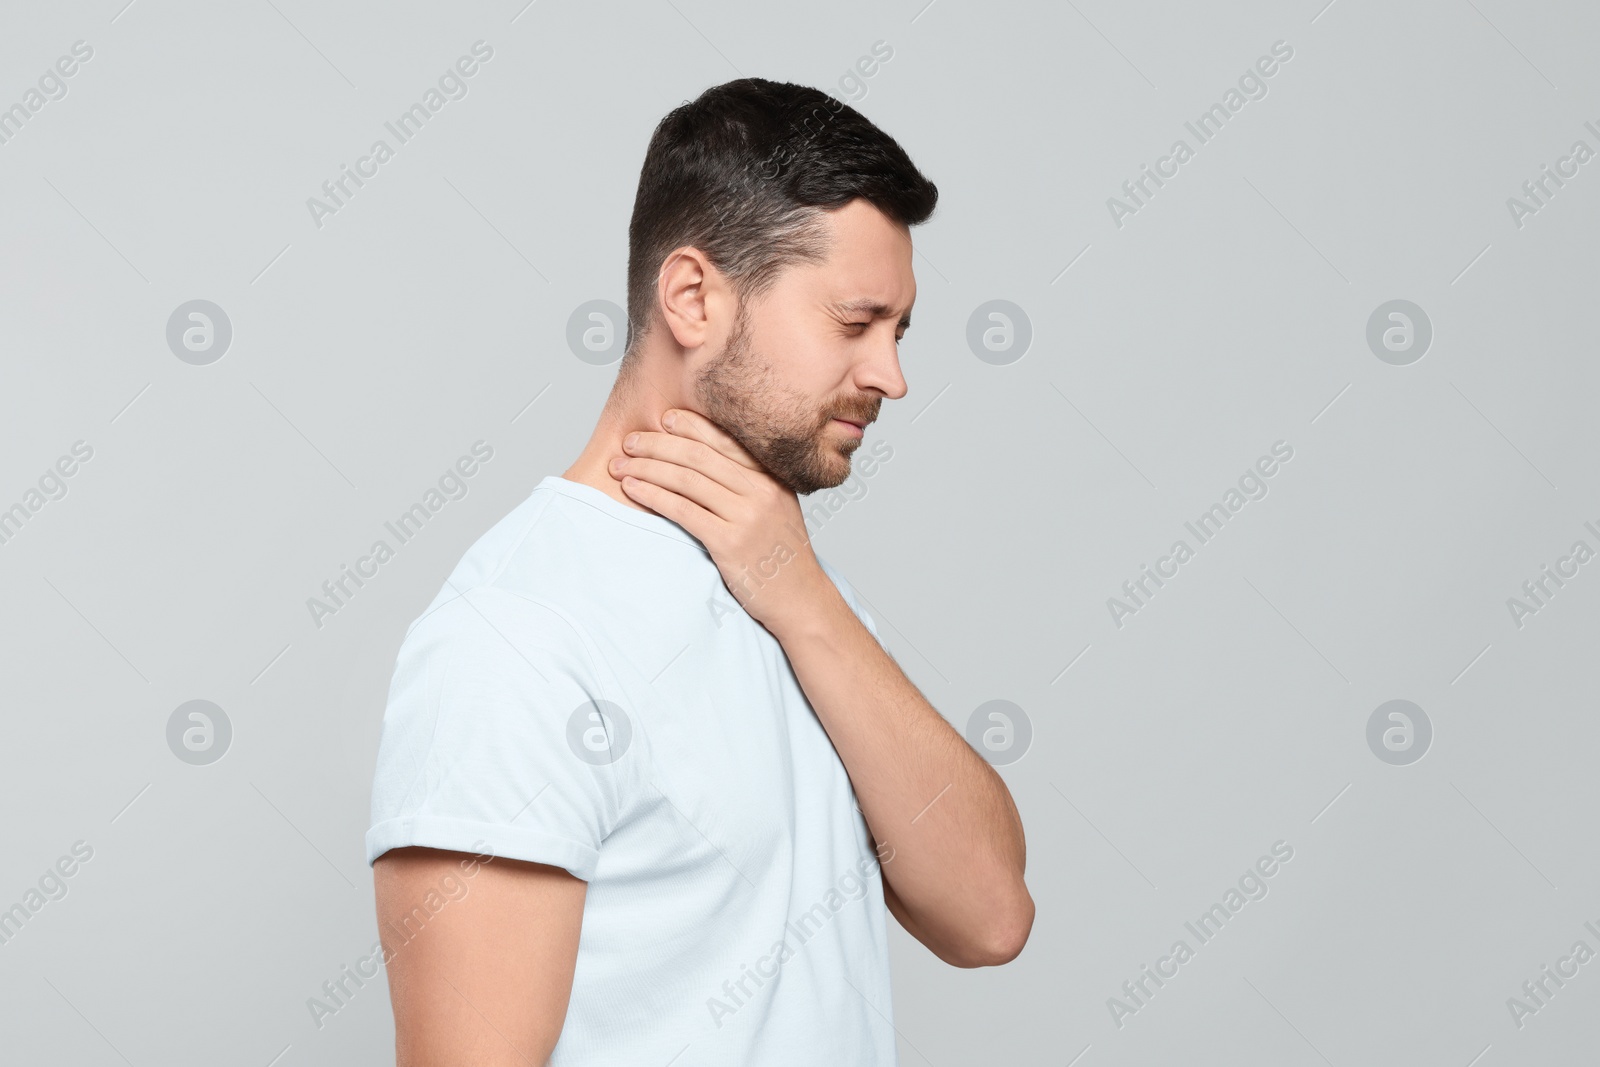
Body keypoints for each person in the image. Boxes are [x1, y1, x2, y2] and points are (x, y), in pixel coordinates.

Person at [365, 76, 1033, 1066]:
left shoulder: (798, 590)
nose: (892, 374)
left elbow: (989, 916)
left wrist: (801, 598)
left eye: (898, 332)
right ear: (693, 297)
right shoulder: (517, 640)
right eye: (855, 323)